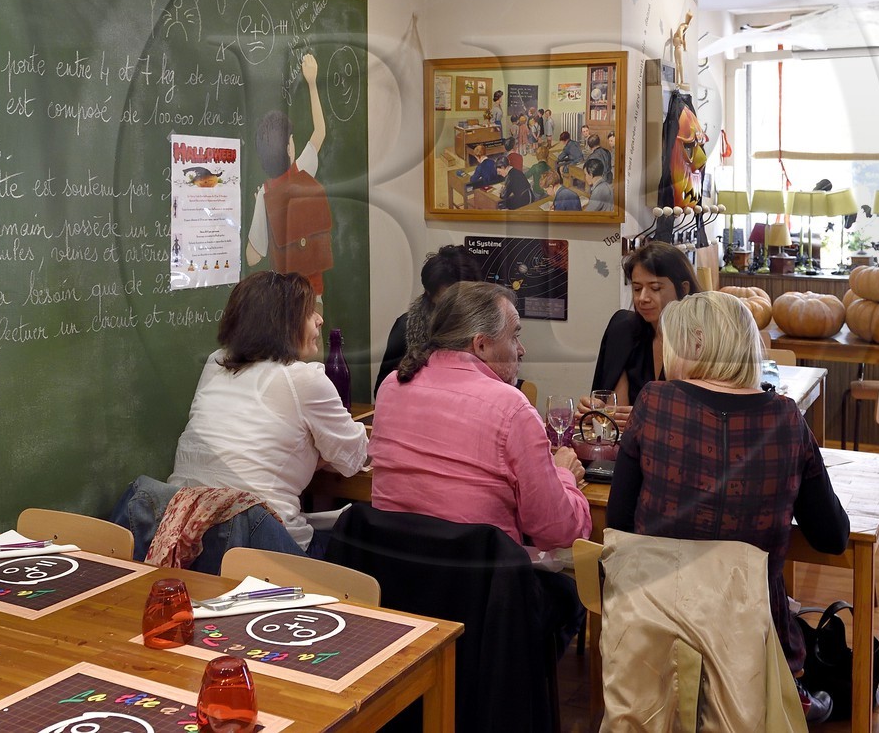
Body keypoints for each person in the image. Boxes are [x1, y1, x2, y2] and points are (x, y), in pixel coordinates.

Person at [606, 291, 849, 724]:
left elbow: (620, 525)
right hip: (751, 637)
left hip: (654, 633)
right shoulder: (786, 419)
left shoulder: (653, 402)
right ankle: (793, 693)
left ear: (694, 344)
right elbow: (832, 538)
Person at [371, 282, 590, 653]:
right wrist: (565, 473)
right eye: (515, 335)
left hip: (401, 589)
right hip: (487, 601)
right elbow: (558, 530)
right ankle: (516, 705)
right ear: (482, 345)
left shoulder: (392, 386)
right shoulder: (512, 407)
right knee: (570, 594)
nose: (522, 349)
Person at [169, 271, 368, 557]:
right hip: (262, 548)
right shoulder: (303, 380)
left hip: (189, 540)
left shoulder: (217, 362)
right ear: (283, 324)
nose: (319, 319)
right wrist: (316, 450)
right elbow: (355, 456)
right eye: (309, 312)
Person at [579, 241, 696, 424]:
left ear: (684, 289)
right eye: (637, 288)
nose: (642, 298)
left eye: (655, 288)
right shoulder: (623, 330)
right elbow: (610, 412)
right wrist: (593, 410)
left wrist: (647, 418)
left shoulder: (701, 342)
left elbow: (704, 417)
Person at [246, 53, 333, 295]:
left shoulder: (265, 193)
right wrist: (312, 83)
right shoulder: (303, 169)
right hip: (313, 293)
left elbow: (253, 257)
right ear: (288, 148)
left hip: (283, 298)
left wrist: (259, 206)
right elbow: (320, 131)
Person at [376, 245, 485, 389]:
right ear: (429, 293)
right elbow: (384, 388)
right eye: (447, 300)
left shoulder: (490, 325)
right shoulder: (406, 326)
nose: (456, 306)